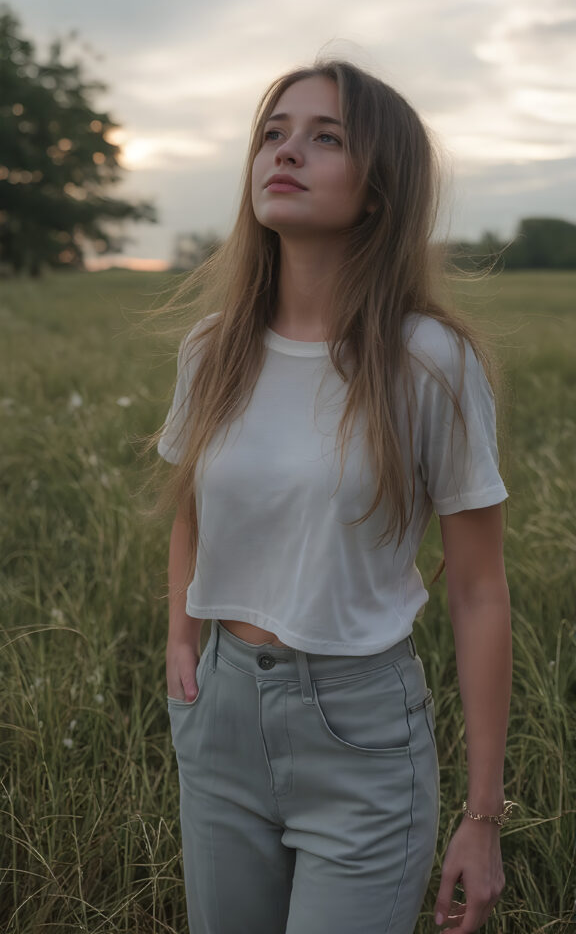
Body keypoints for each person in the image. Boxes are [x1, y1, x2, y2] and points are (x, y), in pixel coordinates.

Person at [155, 58, 513, 934]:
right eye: (273, 134)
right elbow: (192, 509)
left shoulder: (430, 362)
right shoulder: (212, 349)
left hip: (361, 740)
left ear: (381, 187)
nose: (285, 152)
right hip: (220, 721)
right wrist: (181, 638)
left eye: (326, 137)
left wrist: (483, 817)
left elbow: (478, 590)